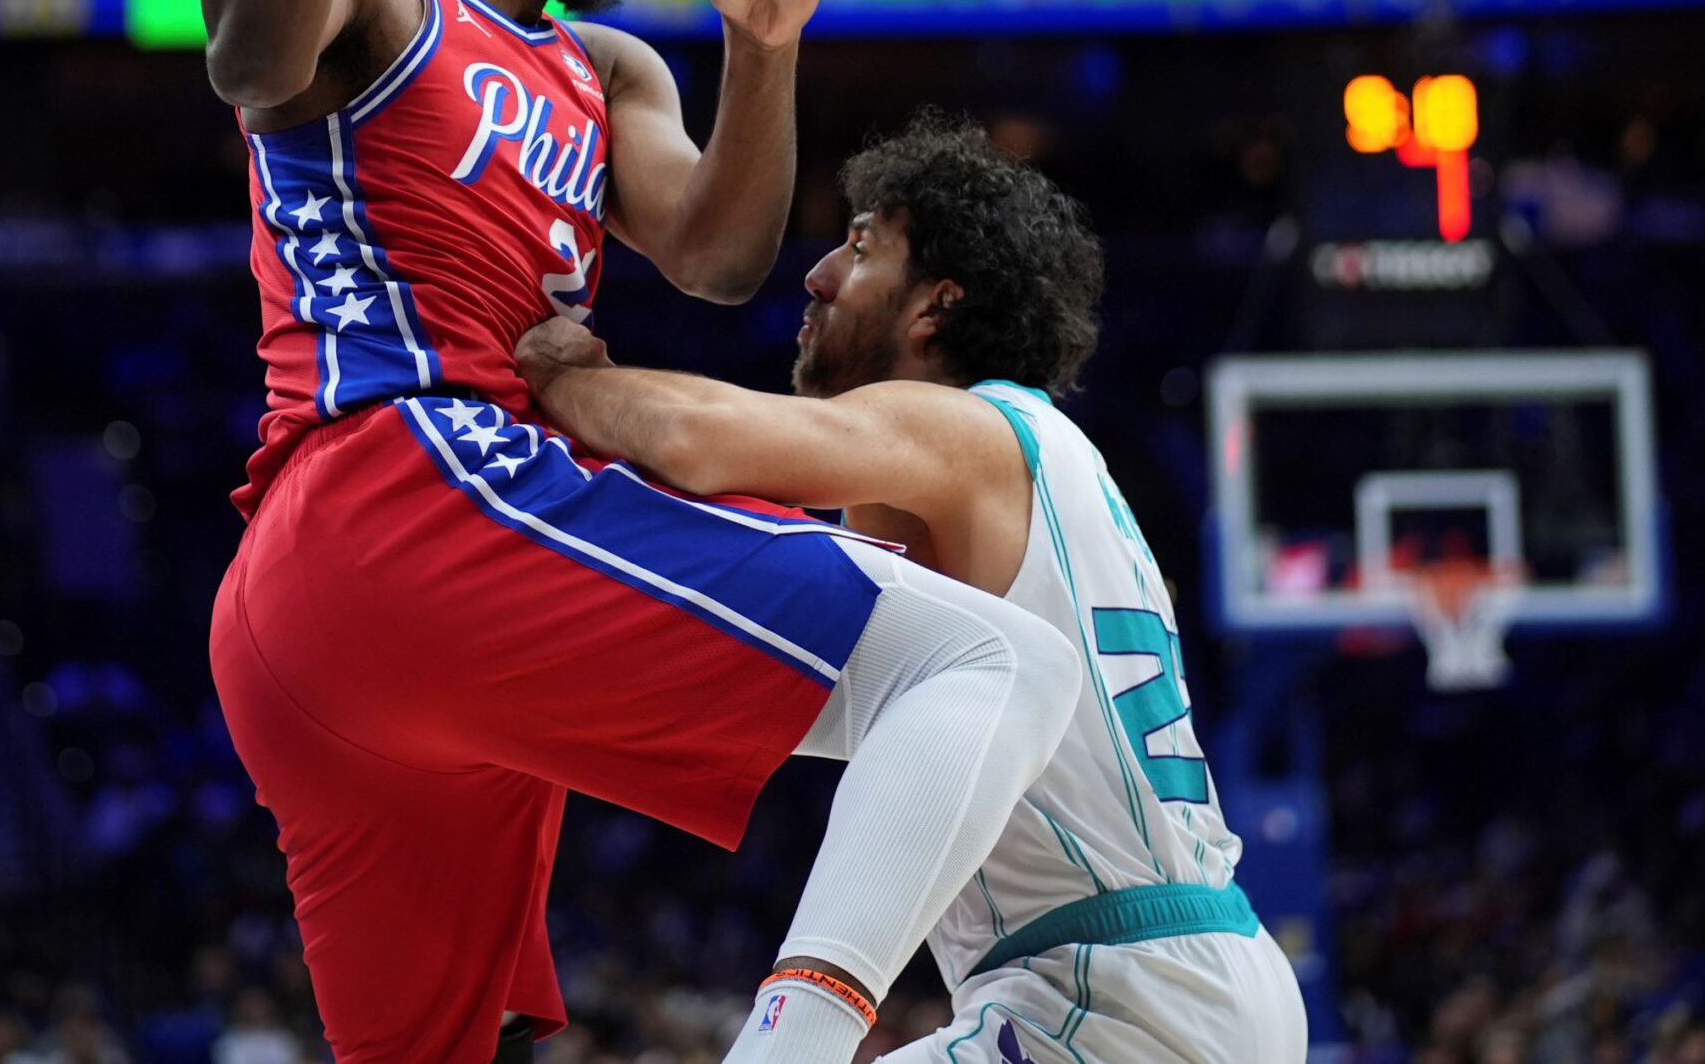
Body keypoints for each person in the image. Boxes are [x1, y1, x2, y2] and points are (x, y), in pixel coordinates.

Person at [201, 0, 1080, 1064]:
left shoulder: (603, 71)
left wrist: (765, 49)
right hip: (405, 489)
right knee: (982, 657)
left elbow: (723, 254)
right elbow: (250, 50)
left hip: (343, 626)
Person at [517, 113, 1311, 1064]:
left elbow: (700, 440)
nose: (815, 275)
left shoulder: (967, 427)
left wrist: (566, 382)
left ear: (935, 306)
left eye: (858, 249)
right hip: (1181, 975)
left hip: (1114, 992)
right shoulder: (1043, 464)